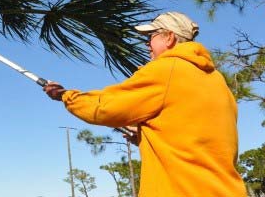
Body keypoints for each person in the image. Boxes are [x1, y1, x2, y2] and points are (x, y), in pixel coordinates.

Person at [43, 11, 246, 197]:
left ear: (169, 37)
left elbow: (104, 106)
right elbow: (198, 138)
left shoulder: (166, 69)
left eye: (151, 36)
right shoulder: (217, 81)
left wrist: (65, 95)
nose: (146, 44)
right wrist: (145, 136)